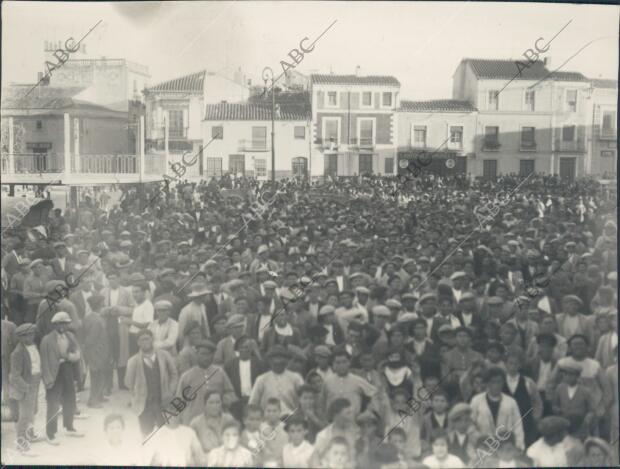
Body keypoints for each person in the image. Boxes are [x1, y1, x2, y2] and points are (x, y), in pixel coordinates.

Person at [39, 311, 83, 444]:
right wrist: (47, 378)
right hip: (54, 373)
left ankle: (69, 426)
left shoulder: (70, 336)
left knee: (70, 398)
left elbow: (77, 353)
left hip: (68, 370)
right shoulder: (47, 340)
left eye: (65, 323)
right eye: (60, 323)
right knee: (53, 403)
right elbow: (44, 361)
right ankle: (50, 433)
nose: (63, 326)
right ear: (55, 324)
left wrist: (70, 357)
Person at [125, 328, 178, 436]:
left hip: (162, 401)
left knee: (165, 432)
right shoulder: (133, 361)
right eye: (142, 340)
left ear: (152, 339)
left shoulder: (164, 355)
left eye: (147, 339)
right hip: (144, 405)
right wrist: (137, 395)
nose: (145, 342)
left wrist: (170, 390)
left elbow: (174, 374)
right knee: (146, 434)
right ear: (138, 343)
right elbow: (128, 382)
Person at [176, 338, 237, 425]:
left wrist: (221, 401)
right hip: (193, 420)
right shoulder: (186, 376)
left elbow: (231, 393)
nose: (206, 357)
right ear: (197, 354)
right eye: (203, 354)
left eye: (209, 354)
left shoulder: (220, 372)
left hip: (217, 420)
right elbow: (179, 401)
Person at [470, 366, 525, 450]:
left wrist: (518, 446)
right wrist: (480, 439)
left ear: (503, 382)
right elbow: (470, 425)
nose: (496, 385)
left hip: (505, 448)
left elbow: (518, 427)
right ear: (487, 383)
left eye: (499, 382)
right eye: (493, 382)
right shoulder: (476, 400)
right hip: (483, 447)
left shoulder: (511, 402)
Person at [10, 323, 42, 453]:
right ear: (21, 337)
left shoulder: (33, 346)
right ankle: (21, 443)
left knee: (33, 411)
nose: (31, 337)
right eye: (28, 335)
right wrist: (26, 387)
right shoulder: (17, 353)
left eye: (33, 334)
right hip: (26, 386)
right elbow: (15, 376)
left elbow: (36, 364)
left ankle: (30, 434)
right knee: (24, 416)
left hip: (35, 382)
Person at [249, 345, 304, 416]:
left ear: (286, 361)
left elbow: (304, 399)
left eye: (281, 358)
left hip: (291, 420)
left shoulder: (296, 378)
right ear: (269, 361)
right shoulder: (261, 379)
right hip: (268, 420)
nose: (278, 361)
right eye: (274, 359)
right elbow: (253, 404)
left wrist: (297, 415)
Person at [82, 294, 110, 408]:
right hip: (97, 351)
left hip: (95, 351)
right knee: (96, 375)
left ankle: (99, 396)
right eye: (102, 303)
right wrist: (93, 350)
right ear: (99, 305)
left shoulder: (88, 317)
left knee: (99, 374)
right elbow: (91, 339)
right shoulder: (98, 320)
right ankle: (93, 401)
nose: (104, 304)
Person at [190, 389, 237, 455]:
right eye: (211, 403)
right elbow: (192, 447)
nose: (215, 406)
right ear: (205, 404)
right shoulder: (196, 423)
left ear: (221, 403)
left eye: (218, 402)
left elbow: (236, 442)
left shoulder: (229, 419)